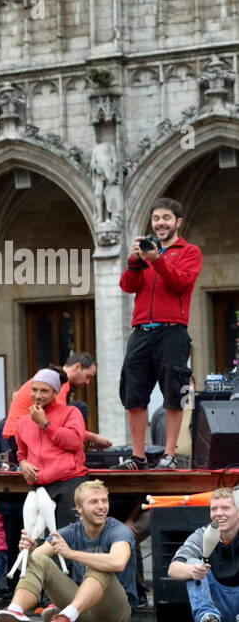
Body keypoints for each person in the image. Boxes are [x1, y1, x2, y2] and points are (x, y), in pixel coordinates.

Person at [119, 197, 203, 469]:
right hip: (141, 331)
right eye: (156, 219)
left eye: (166, 218)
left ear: (178, 222)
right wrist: (135, 261)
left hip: (172, 331)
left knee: (174, 395)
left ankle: (168, 455)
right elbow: (128, 286)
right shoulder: (145, 253)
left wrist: (158, 261)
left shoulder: (189, 251)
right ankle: (138, 456)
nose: (160, 223)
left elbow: (182, 283)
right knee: (134, 396)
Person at [0, 480, 135, 622]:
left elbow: (118, 562)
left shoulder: (119, 530)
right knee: (40, 560)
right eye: (94, 502)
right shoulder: (70, 531)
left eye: (104, 501)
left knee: (100, 564)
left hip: (114, 615)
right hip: (81, 610)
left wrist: (71, 554)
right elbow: (27, 567)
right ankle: (16, 610)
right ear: (79, 508)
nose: (101, 506)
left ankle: (66, 616)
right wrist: (27, 553)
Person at [13, 369, 88, 530]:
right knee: (38, 544)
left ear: (55, 393)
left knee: (70, 542)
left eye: (44, 391)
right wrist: (24, 464)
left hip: (70, 484)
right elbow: (21, 454)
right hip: (40, 488)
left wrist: (45, 424)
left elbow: (75, 442)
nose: (38, 395)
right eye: (34, 390)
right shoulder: (23, 423)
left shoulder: (71, 413)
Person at [1, 352, 109, 454]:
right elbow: (58, 423)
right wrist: (93, 437)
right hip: (21, 436)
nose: (87, 382)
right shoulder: (57, 383)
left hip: (17, 434)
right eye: (88, 376)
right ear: (77, 367)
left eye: (43, 391)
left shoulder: (55, 382)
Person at [169, 488, 239, 622]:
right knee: (192, 563)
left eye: (225, 508)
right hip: (217, 614)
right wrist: (192, 571)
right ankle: (208, 619)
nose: (218, 513)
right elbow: (173, 568)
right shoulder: (202, 535)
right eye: (214, 509)